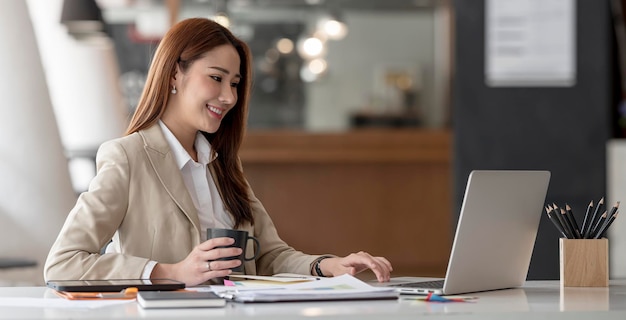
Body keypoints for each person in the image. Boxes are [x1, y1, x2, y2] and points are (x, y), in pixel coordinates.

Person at [44, 18, 392, 286]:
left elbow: (269, 255)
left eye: (235, 83)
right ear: (173, 75)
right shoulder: (128, 156)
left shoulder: (222, 163)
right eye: (216, 78)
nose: (229, 96)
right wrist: (171, 271)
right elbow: (64, 262)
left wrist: (328, 266)